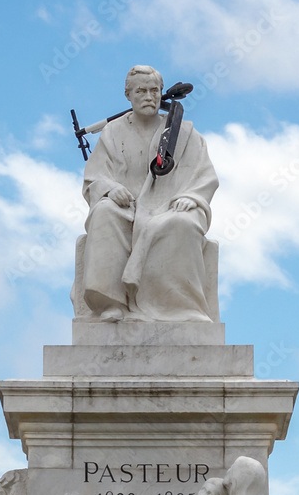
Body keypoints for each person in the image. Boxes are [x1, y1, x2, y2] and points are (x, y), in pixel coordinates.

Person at [81, 65, 218, 322]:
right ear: (128, 95)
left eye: (154, 90)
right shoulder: (113, 132)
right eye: (141, 91)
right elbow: (95, 176)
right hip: (126, 208)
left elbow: (204, 175)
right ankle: (112, 303)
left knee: (183, 224)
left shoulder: (184, 133)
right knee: (104, 212)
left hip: (170, 206)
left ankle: (181, 308)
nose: (149, 97)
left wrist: (192, 197)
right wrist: (111, 189)